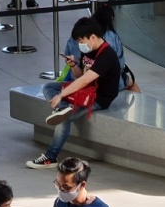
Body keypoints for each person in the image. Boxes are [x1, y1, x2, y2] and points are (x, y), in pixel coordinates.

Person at [26, 17, 122, 170]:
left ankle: (50, 157)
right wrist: (72, 65)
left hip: (98, 97)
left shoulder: (107, 56)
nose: (80, 44)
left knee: (64, 118)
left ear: (92, 37)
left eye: (81, 40)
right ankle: (62, 109)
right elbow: (79, 76)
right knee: (49, 87)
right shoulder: (89, 50)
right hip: (84, 91)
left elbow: (84, 80)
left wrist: (61, 96)